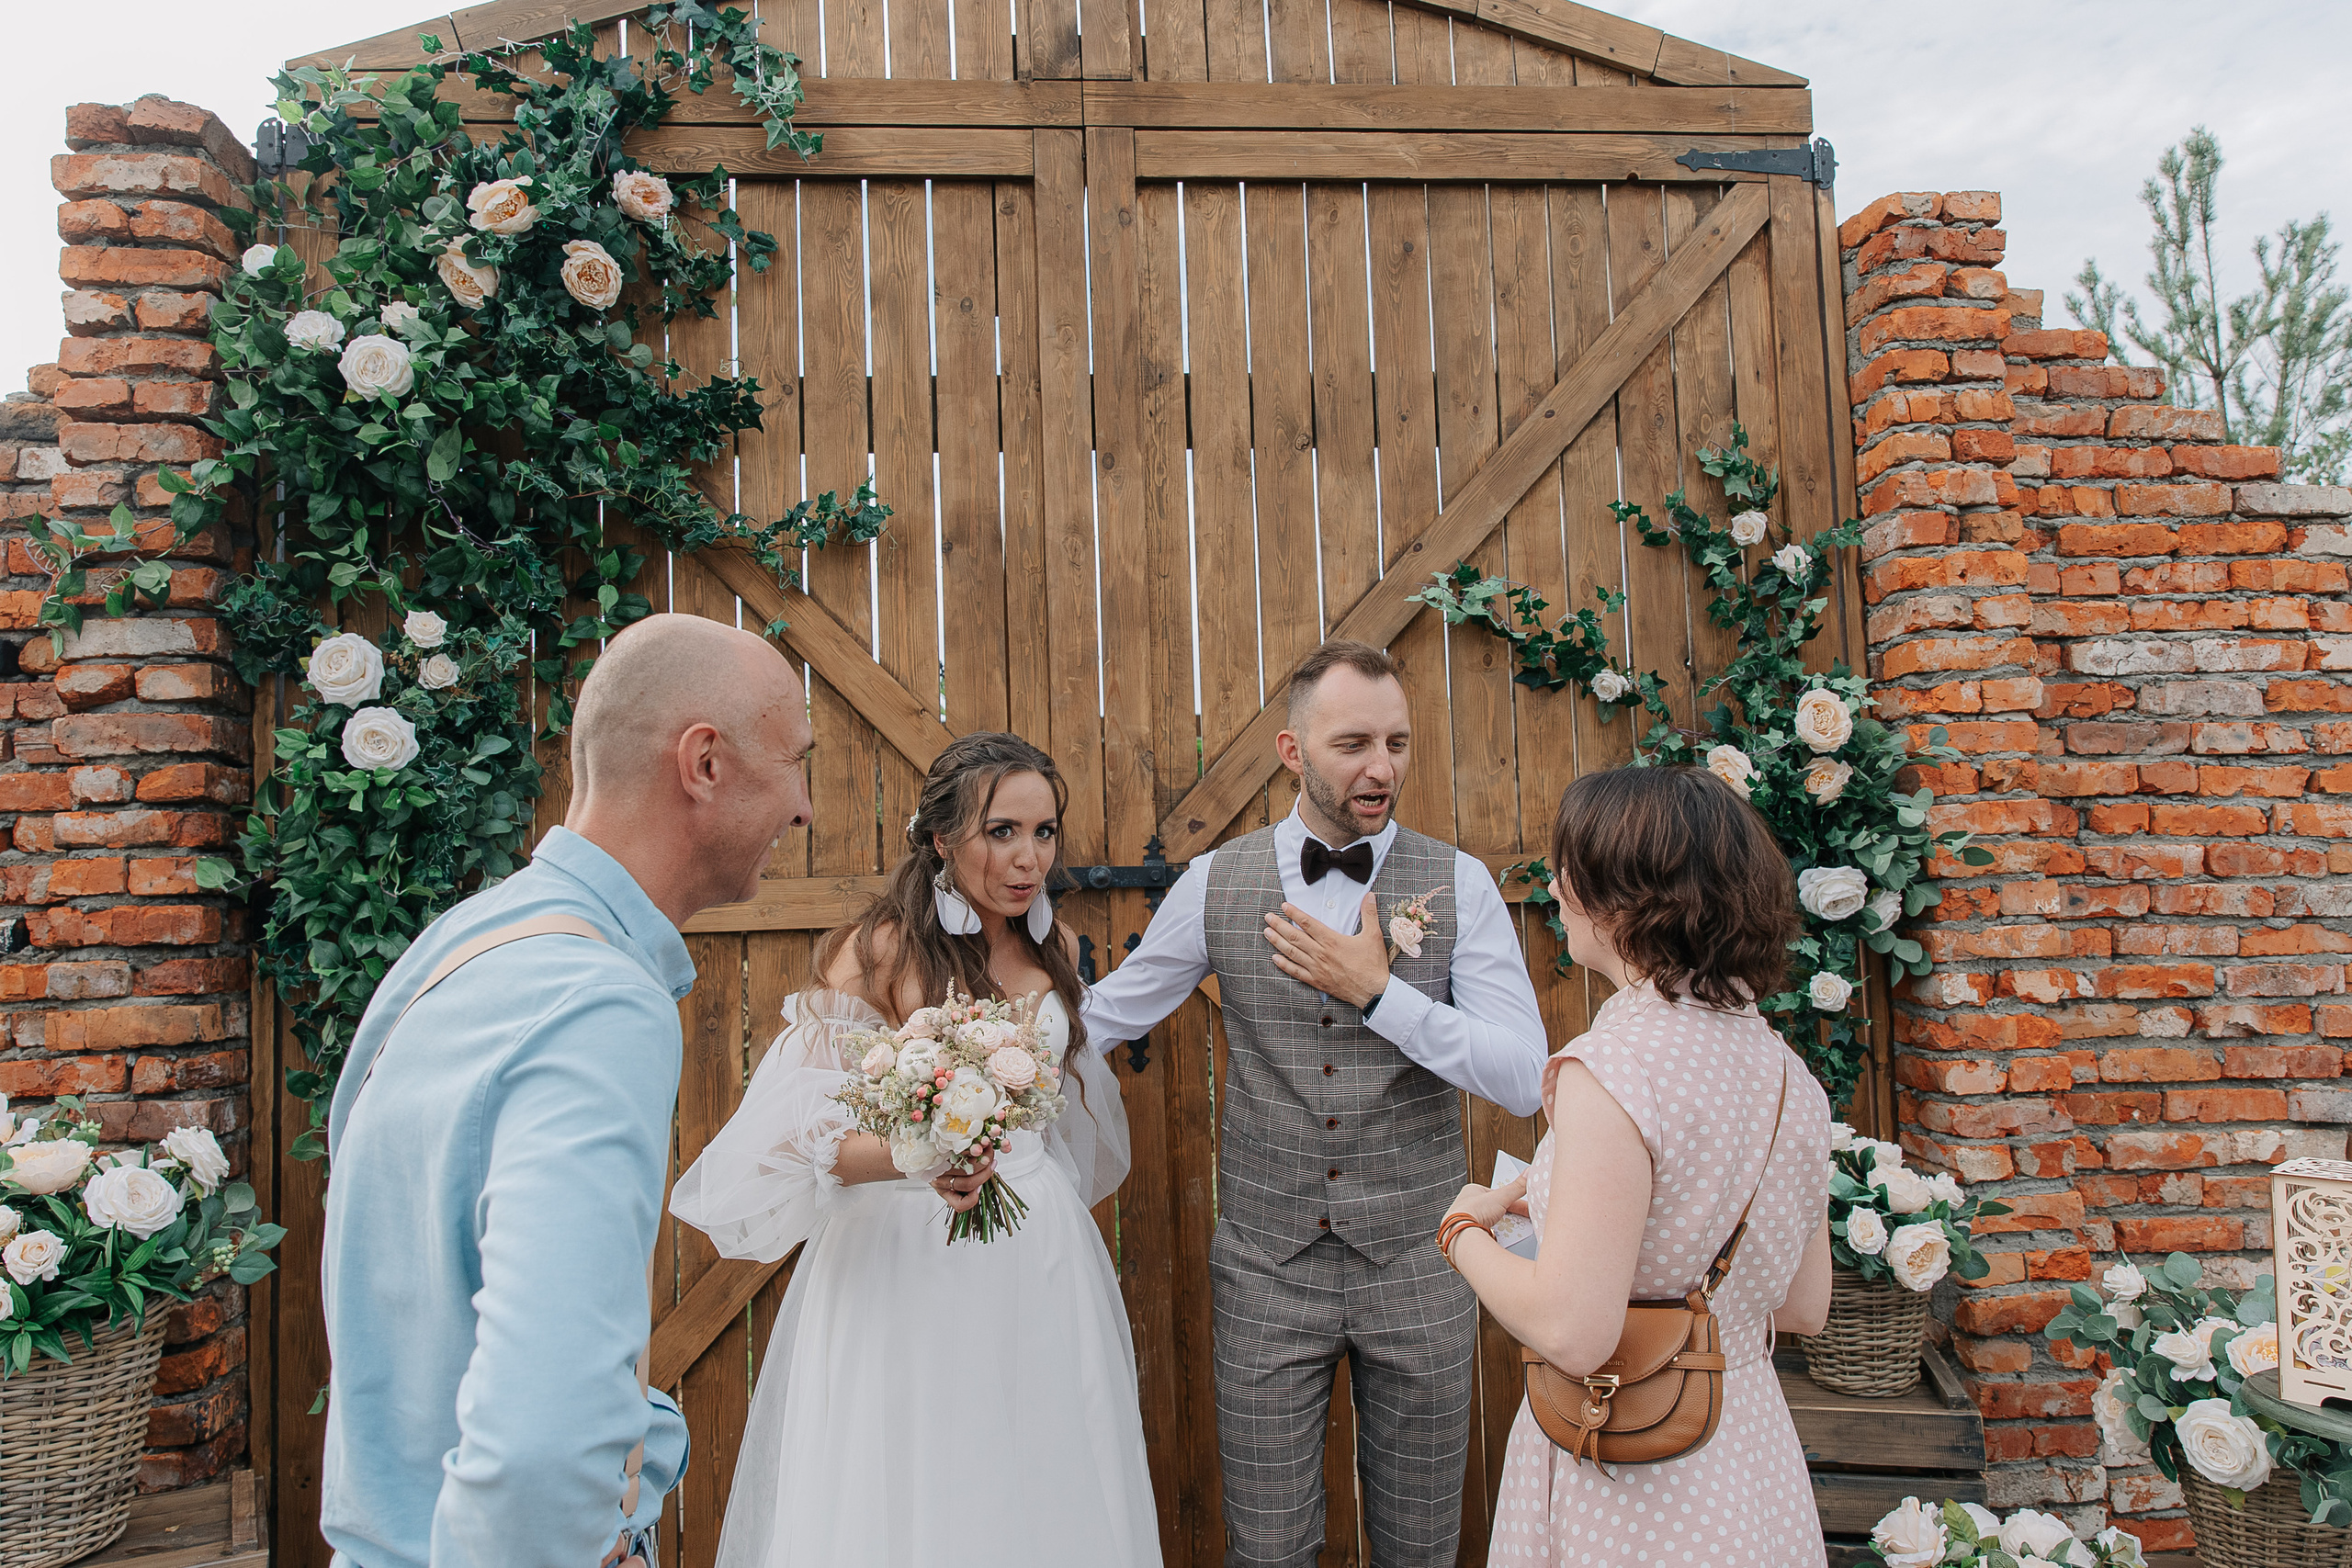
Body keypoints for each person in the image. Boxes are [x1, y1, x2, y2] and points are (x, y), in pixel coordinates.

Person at [319, 615, 816, 1568]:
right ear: (704, 764)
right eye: (795, 762)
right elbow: (541, 1450)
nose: (802, 808)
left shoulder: (458, 946)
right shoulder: (595, 1000)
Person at [1083, 639, 1549, 1568]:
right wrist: (967, 1058)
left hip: (1422, 1259)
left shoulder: (1457, 882)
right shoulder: (1215, 882)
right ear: (1293, 752)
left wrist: (1381, 995)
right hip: (1266, 1267)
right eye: (1353, 744)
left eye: (1397, 743)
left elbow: (1524, 1073)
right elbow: (1103, 1016)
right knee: (1268, 1546)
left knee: (1421, 1544)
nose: (1382, 768)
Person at [669, 731, 1159, 1568]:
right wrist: (921, 1155)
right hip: (905, 1259)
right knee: (918, 1483)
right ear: (941, 838)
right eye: (1001, 831)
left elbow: (1052, 1114)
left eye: (1044, 831)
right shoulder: (879, 950)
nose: (1029, 858)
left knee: (1042, 1475)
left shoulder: (1059, 949)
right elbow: (796, 1136)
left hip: (1039, 1254)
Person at [1439, 764, 1834, 1567]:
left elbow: (1573, 1330)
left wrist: (1463, 1229)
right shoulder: (1791, 1076)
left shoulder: (1613, 1067)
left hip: (1632, 1480)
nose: (1555, 886)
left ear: (1626, 896)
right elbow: (1803, 1304)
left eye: (1570, 868)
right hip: (1750, 1463)